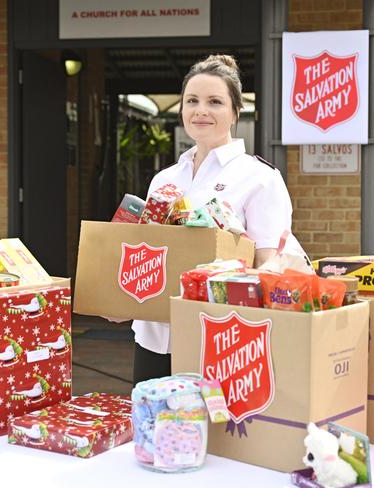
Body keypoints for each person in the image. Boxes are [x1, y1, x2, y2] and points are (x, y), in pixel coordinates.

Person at [128, 54, 306, 384]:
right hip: (154, 333)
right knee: (151, 429)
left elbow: (270, 264)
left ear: (236, 112)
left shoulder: (260, 177)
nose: (201, 111)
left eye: (215, 102)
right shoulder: (164, 178)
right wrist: (122, 295)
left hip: (220, 334)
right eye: (192, 101)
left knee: (213, 434)